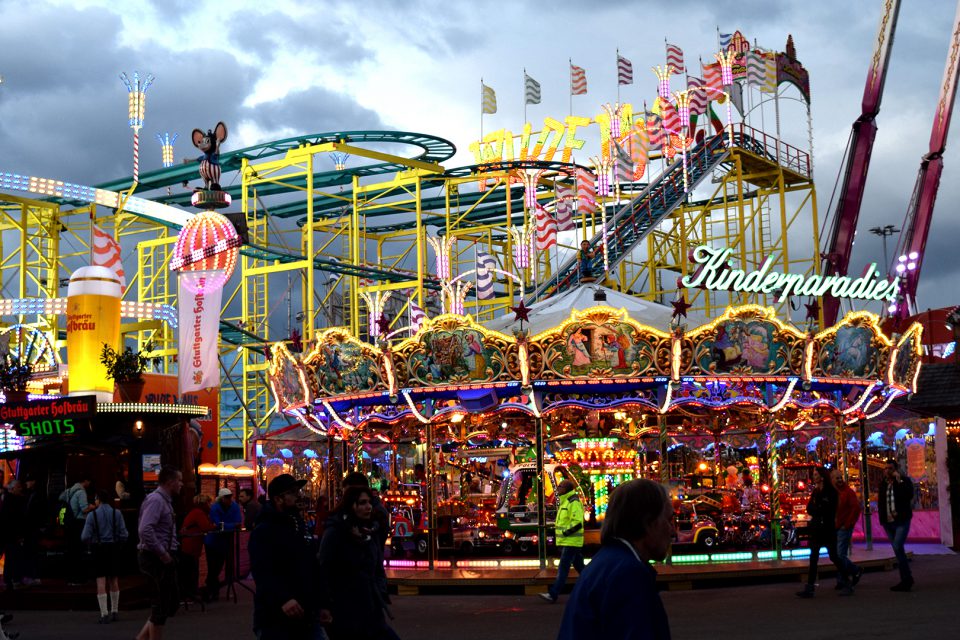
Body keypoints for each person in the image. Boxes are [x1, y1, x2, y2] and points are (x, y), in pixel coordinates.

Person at [557, 479, 672, 640]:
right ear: (648, 522)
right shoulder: (629, 575)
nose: (671, 530)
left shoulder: (605, 563)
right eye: (668, 519)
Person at [250, 473, 330, 639]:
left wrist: (322, 603)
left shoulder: (299, 525)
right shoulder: (265, 530)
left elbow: (313, 566)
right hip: (276, 618)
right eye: (293, 492)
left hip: (307, 613)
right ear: (279, 499)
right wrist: (283, 598)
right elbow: (263, 571)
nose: (299, 495)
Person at [318, 486, 397, 640]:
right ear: (351, 505)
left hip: (371, 607)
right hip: (345, 609)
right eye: (362, 503)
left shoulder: (369, 531)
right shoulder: (336, 532)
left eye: (369, 502)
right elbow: (324, 568)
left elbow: (377, 568)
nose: (368, 507)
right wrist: (325, 604)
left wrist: (379, 591)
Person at [136, 465, 183, 640]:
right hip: (154, 558)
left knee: (168, 604)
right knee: (160, 606)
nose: (181, 484)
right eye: (179, 480)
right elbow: (145, 529)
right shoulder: (156, 500)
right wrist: (163, 554)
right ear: (170, 482)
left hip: (161, 557)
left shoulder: (164, 501)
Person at [796, 467, 847, 598]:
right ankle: (810, 587)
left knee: (833, 556)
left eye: (816, 474)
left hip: (827, 528)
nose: (814, 477)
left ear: (822, 476)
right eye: (814, 474)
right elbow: (810, 508)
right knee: (813, 557)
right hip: (817, 528)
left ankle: (847, 581)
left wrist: (817, 509)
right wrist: (818, 509)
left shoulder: (831, 492)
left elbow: (827, 510)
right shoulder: (816, 491)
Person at [81, 490, 129, 623]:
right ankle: (115, 611)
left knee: (100, 581)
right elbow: (124, 534)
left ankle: (104, 614)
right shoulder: (117, 513)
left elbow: (85, 536)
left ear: (98, 500)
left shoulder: (92, 515)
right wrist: (118, 543)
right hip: (113, 548)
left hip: (98, 549)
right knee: (114, 581)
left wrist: (92, 543)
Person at [539, 480, 585, 603]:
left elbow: (578, 523)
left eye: (560, 486)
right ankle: (596, 588)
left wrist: (565, 533)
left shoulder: (573, 502)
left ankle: (553, 594)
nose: (558, 488)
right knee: (581, 569)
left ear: (567, 489)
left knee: (563, 568)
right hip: (569, 541)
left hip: (571, 542)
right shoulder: (566, 501)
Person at [878, 458, 914, 591]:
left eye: (890, 469)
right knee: (898, 551)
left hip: (901, 520)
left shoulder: (904, 481)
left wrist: (899, 481)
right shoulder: (883, 483)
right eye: (886, 468)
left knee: (898, 546)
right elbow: (882, 501)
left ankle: (907, 578)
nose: (887, 471)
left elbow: (908, 495)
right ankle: (906, 579)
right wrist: (882, 520)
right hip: (888, 522)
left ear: (896, 470)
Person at [203, 487, 242, 602]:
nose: (230, 499)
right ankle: (212, 591)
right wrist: (231, 525)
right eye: (227, 497)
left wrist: (225, 525)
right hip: (213, 541)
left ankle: (211, 591)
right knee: (213, 567)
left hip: (224, 541)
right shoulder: (215, 508)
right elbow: (217, 524)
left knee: (218, 566)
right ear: (222, 498)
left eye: (230, 497)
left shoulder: (233, 506)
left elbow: (237, 522)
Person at [179, 494, 216, 604]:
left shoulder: (195, 512)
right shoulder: (199, 513)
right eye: (209, 503)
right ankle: (190, 595)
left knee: (189, 570)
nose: (211, 505)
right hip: (191, 545)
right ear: (204, 503)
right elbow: (206, 527)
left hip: (189, 544)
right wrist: (215, 525)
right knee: (191, 571)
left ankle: (188, 595)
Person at [831, 468, 863, 592]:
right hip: (836, 526)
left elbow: (855, 508)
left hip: (844, 527)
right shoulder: (833, 493)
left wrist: (848, 523)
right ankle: (850, 573)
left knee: (840, 555)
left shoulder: (848, 492)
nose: (839, 480)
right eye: (837, 478)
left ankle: (849, 574)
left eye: (840, 477)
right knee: (837, 555)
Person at [60, 476, 95, 585]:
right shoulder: (81, 492)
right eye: (89, 481)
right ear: (85, 480)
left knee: (71, 550)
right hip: (78, 524)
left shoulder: (70, 490)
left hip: (70, 524)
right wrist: (94, 506)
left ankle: (70, 577)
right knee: (78, 550)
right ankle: (78, 578)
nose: (89, 484)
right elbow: (84, 509)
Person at [0, 480, 26, 590]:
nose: (20, 489)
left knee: (10, 558)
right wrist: (19, 535)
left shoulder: (7, 500)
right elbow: (15, 520)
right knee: (14, 558)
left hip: (8, 535)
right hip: (12, 535)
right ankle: (14, 580)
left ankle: (9, 580)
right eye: (18, 487)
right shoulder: (13, 501)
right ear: (12, 489)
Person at [22, 475, 46, 586]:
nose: (26, 483)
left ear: (33, 481)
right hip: (31, 527)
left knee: (32, 551)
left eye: (28, 481)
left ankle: (33, 575)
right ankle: (32, 575)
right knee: (32, 551)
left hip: (32, 527)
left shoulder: (33, 495)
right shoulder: (33, 494)